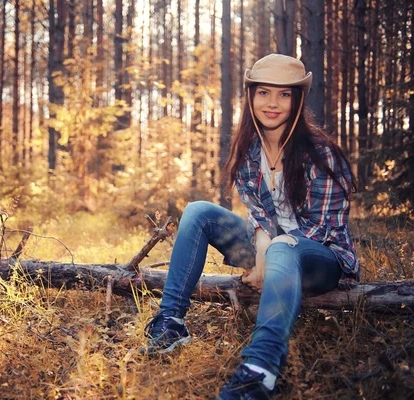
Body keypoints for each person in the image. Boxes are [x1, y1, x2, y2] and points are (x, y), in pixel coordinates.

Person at [141, 54, 359, 400]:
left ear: (298, 99)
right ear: (251, 97)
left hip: (320, 259)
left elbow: (326, 228)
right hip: (272, 251)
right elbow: (258, 213)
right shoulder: (249, 149)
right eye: (264, 93)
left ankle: (260, 371)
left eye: (284, 94)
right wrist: (261, 255)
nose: (272, 103)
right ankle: (171, 322)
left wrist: (271, 252)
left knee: (284, 247)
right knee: (198, 211)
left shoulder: (321, 153)